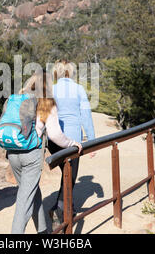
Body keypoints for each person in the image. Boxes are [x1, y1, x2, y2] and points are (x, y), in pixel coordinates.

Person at [6, 72, 83, 234]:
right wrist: (72, 143)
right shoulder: (46, 102)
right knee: (24, 201)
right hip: (31, 154)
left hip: (12, 152)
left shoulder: (17, 98)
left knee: (32, 193)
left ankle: (42, 231)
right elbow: (55, 135)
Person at [48, 59, 96, 229]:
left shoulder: (51, 89)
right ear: (71, 72)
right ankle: (59, 211)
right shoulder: (78, 89)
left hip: (53, 140)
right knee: (70, 177)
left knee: (65, 174)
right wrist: (91, 140)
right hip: (73, 140)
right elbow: (86, 115)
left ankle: (66, 206)